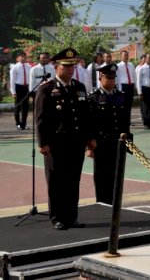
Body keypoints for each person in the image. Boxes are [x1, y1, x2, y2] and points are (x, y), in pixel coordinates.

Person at [34, 47, 96, 230]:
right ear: (56, 67)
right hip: (56, 145)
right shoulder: (47, 89)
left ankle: (71, 216)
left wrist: (90, 139)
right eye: (65, 66)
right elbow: (40, 119)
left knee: (72, 180)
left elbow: (86, 116)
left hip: (75, 143)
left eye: (72, 66)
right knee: (56, 182)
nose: (70, 70)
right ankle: (57, 217)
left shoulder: (79, 87)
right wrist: (43, 143)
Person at [88, 63, 130, 205]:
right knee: (101, 177)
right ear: (101, 78)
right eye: (108, 78)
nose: (111, 81)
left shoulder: (121, 96)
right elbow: (90, 123)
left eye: (113, 78)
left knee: (117, 176)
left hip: (118, 142)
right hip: (101, 144)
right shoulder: (94, 98)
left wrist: (129, 142)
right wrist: (89, 145)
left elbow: (125, 121)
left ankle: (115, 204)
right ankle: (103, 203)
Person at [9, 52, 32, 130]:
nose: (23, 58)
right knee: (18, 107)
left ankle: (23, 124)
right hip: (18, 87)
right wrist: (13, 92)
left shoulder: (28, 66)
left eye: (24, 56)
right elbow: (12, 80)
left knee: (25, 107)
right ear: (18, 58)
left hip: (26, 87)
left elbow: (30, 78)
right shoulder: (15, 67)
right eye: (21, 56)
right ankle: (18, 123)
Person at [116, 50, 137, 116]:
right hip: (123, 87)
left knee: (129, 104)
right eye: (124, 55)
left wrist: (134, 86)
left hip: (130, 86)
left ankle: (128, 120)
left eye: (127, 55)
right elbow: (117, 78)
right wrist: (119, 89)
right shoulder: (118, 66)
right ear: (121, 56)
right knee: (123, 105)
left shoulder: (131, 65)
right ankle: (123, 120)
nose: (126, 57)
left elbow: (134, 76)